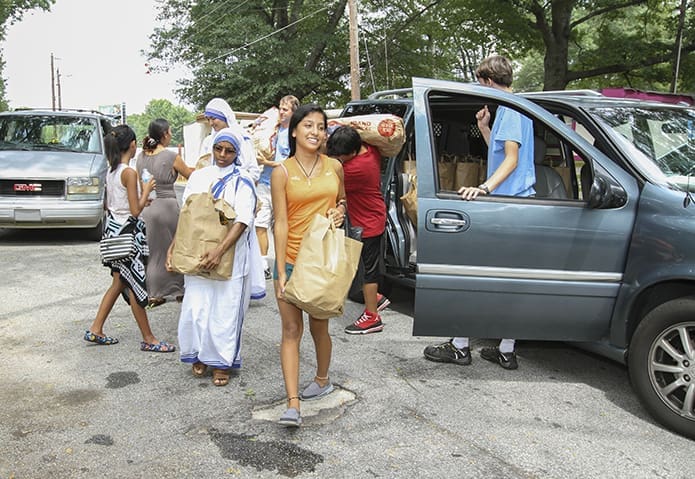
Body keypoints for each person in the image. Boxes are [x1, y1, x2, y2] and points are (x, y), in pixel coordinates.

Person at [423, 55, 535, 370]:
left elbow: (511, 160)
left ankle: (460, 347)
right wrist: (483, 128)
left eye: (479, 83)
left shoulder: (511, 109)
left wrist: (484, 188)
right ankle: (506, 350)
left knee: (472, 277)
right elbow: (501, 153)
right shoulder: (517, 108)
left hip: (506, 206)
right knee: (509, 282)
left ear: (486, 81)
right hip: (519, 205)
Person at [169, 127, 265, 386]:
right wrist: (175, 247)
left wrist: (220, 250)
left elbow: (244, 219)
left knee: (225, 311)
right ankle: (199, 353)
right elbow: (186, 215)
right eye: (218, 149)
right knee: (197, 308)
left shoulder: (242, 180)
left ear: (238, 153)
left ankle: (221, 361)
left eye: (229, 151)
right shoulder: (199, 177)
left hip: (230, 258)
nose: (222, 155)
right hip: (197, 255)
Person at [271, 104, 347, 427]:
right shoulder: (282, 172)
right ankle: (293, 404)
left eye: (320, 127)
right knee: (291, 330)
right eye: (308, 126)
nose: (315, 132)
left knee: (320, 327)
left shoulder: (334, 167)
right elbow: (280, 223)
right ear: (294, 131)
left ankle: (321, 378)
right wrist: (278, 271)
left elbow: (342, 199)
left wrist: (341, 211)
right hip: (290, 260)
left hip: (322, 260)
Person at [84, 125, 175, 353]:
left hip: (114, 233)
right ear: (132, 144)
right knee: (134, 284)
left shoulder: (111, 171)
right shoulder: (129, 172)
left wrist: (142, 199)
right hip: (127, 236)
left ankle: (96, 328)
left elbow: (112, 205)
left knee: (119, 283)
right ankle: (149, 338)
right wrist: (146, 190)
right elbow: (135, 211)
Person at [326, 126, 390, 334]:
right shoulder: (370, 149)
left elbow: (329, 182)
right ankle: (376, 298)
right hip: (370, 217)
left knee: (369, 273)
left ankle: (372, 317)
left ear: (352, 152)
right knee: (359, 267)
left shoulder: (354, 170)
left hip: (368, 223)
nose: (339, 160)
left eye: (341, 157)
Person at [136, 118, 194, 308]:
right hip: (168, 206)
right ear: (164, 135)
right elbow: (190, 175)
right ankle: (178, 289)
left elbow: (141, 183)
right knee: (175, 246)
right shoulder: (170, 156)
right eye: (169, 132)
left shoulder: (142, 157)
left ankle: (154, 292)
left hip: (148, 206)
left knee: (154, 251)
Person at [256, 95, 299, 280]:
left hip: (283, 187)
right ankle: (263, 264)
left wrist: (266, 162)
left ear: (294, 113)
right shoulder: (270, 130)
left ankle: (285, 261)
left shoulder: (294, 135)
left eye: (286, 109)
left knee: (281, 226)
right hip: (264, 184)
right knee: (260, 223)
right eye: (280, 108)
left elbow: (288, 163)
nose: (281, 112)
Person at [199, 98, 260, 182]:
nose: (211, 123)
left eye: (213, 118)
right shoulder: (208, 141)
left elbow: (254, 171)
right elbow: (202, 167)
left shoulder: (242, 138)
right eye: (208, 119)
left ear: (224, 116)